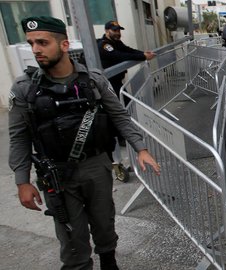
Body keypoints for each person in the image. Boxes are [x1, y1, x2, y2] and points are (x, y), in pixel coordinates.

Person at [8, 16, 161, 269]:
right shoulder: (24, 88)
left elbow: (119, 116)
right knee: (72, 238)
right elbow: (19, 136)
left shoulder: (94, 81)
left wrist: (141, 148)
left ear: (64, 45)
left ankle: (109, 262)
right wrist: (22, 181)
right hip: (56, 173)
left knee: (104, 222)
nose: (35, 49)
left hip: (96, 166)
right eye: (31, 43)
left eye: (43, 43)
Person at [98, 20, 156, 98]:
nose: (118, 33)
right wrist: (143, 56)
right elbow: (119, 56)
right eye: (114, 30)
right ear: (107, 31)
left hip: (116, 80)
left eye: (119, 30)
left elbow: (128, 50)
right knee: (125, 104)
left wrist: (143, 53)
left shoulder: (116, 42)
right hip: (109, 83)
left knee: (126, 104)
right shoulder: (104, 45)